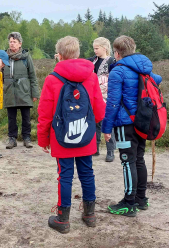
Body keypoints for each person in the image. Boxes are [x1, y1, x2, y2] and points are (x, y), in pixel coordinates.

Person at [37, 36, 106, 234]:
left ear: (59, 56)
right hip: (85, 134)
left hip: (61, 137)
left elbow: (45, 114)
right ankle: (90, 215)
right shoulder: (91, 76)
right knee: (87, 173)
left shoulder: (52, 79)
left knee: (65, 176)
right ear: (77, 53)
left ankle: (63, 219)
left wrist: (43, 139)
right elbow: (99, 111)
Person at [102, 36, 162, 217]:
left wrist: (106, 128)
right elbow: (157, 79)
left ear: (117, 52)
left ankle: (129, 203)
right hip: (142, 122)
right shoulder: (143, 69)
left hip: (124, 124)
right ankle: (141, 199)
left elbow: (112, 103)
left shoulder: (117, 72)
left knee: (128, 162)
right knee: (139, 159)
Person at [4, 32, 40, 149]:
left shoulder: (26, 57)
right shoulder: (4, 57)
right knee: (11, 118)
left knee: (26, 117)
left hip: (24, 91)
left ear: (20, 44)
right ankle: (12, 139)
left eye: (14, 41)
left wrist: (34, 93)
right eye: (10, 41)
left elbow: (33, 76)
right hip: (9, 91)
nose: (12, 44)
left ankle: (27, 138)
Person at [87, 37, 116, 162]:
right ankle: (95, 148)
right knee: (95, 123)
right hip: (94, 96)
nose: (95, 50)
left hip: (107, 97)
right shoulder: (92, 60)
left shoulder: (112, 61)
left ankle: (110, 151)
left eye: (97, 48)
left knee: (107, 123)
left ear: (104, 48)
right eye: (94, 48)